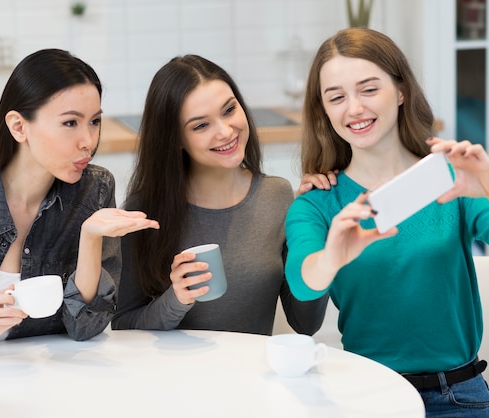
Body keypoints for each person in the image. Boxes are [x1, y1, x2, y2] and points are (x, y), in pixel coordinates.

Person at [284, 27, 489, 417]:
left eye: (368, 89)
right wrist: (333, 256)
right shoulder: (317, 204)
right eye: (337, 97)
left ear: (400, 91)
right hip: (370, 395)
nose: (354, 108)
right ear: (324, 111)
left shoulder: (451, 179)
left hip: (460, 395)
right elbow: (302, 283)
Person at [0, 49, 159, 351]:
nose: (88, 141)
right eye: (71, 123)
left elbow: (86, 326)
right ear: (19, 127)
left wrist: (90, 237)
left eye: (95, 121)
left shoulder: (95, 190)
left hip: (57, 380)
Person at [111, 54, 329, 335]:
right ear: (174, 138)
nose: (226, 132)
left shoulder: (277, 196)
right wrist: (176, 299)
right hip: (172, 376)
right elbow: (123, 326)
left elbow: (305, 323)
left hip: (252, 375)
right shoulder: (143, 212)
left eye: (229, 110)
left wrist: (312, 232)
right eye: (201, 125)